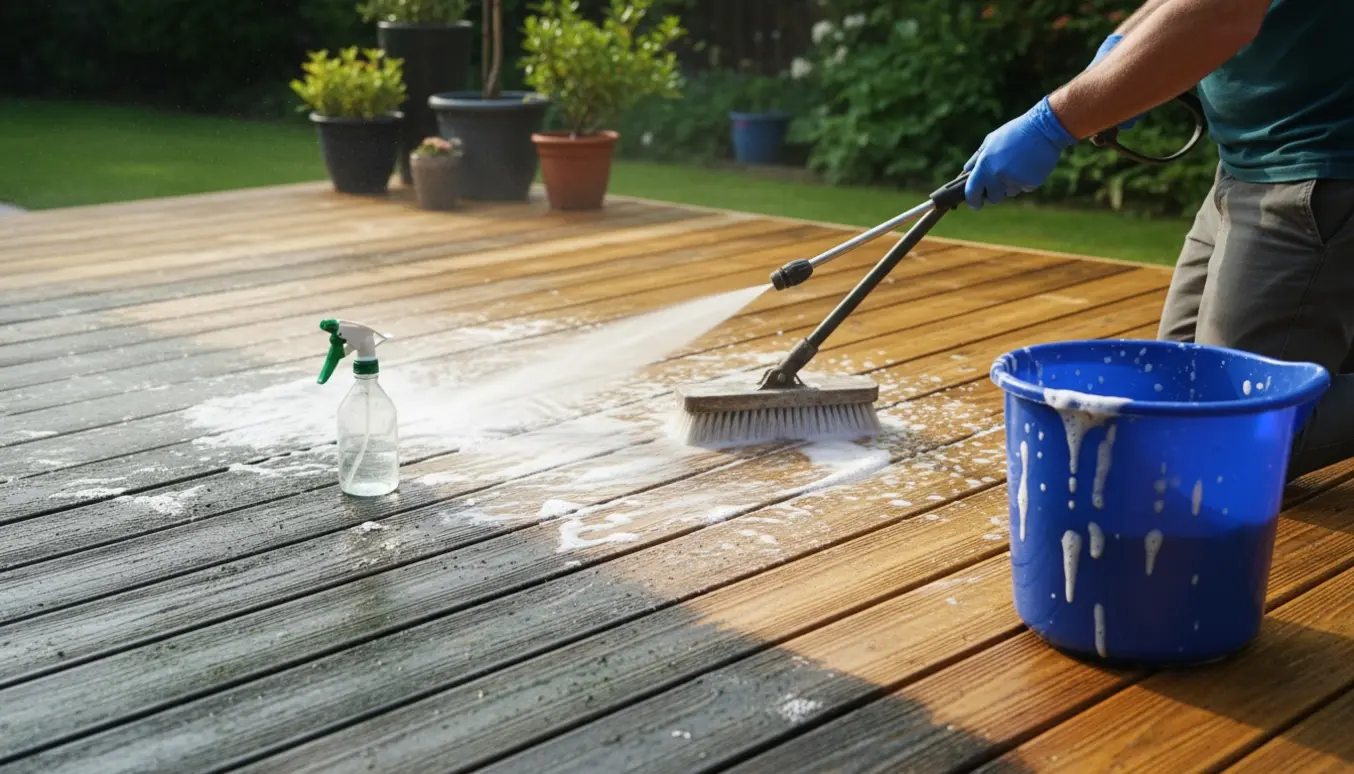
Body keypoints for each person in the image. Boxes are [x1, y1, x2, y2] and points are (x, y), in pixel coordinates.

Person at [963, 0, 1354, 480]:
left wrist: (1054, 121)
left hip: (1318, 170)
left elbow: (1222, 12)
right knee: (1175, 404)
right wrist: (1121, 55)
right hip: (1245, 168)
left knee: (1229, 450)